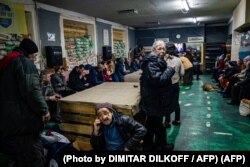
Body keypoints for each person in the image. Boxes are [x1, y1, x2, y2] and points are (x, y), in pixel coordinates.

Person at [0, 38, 50, 167]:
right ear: (29, 52)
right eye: (34, 55)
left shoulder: (6, 62)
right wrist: (43, 109)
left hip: (8, 120)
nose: (34, 58)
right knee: (33, 157)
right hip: (23, 121)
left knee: (19, 155)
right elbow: (31, 90)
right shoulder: (24, 62)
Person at [139, 40, 175, 151]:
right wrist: (170, 70)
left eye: (164, 49)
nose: (163, 51)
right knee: (156, 123)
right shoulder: (152, 63)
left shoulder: (156, 60)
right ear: (154, 50)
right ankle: (158, 145)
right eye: (160, 48)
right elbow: (158, 80)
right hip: (154, 100)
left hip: (155, 99)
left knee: (153, 123)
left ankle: (150, 145)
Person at [164, 45, 185, 128]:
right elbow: (182, 73)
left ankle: (167, 122)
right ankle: (177, 120)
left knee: (166, 103)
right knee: (176, 102)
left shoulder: (163, 60)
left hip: (165, 85)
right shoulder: (178, 60)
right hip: (175, 84)